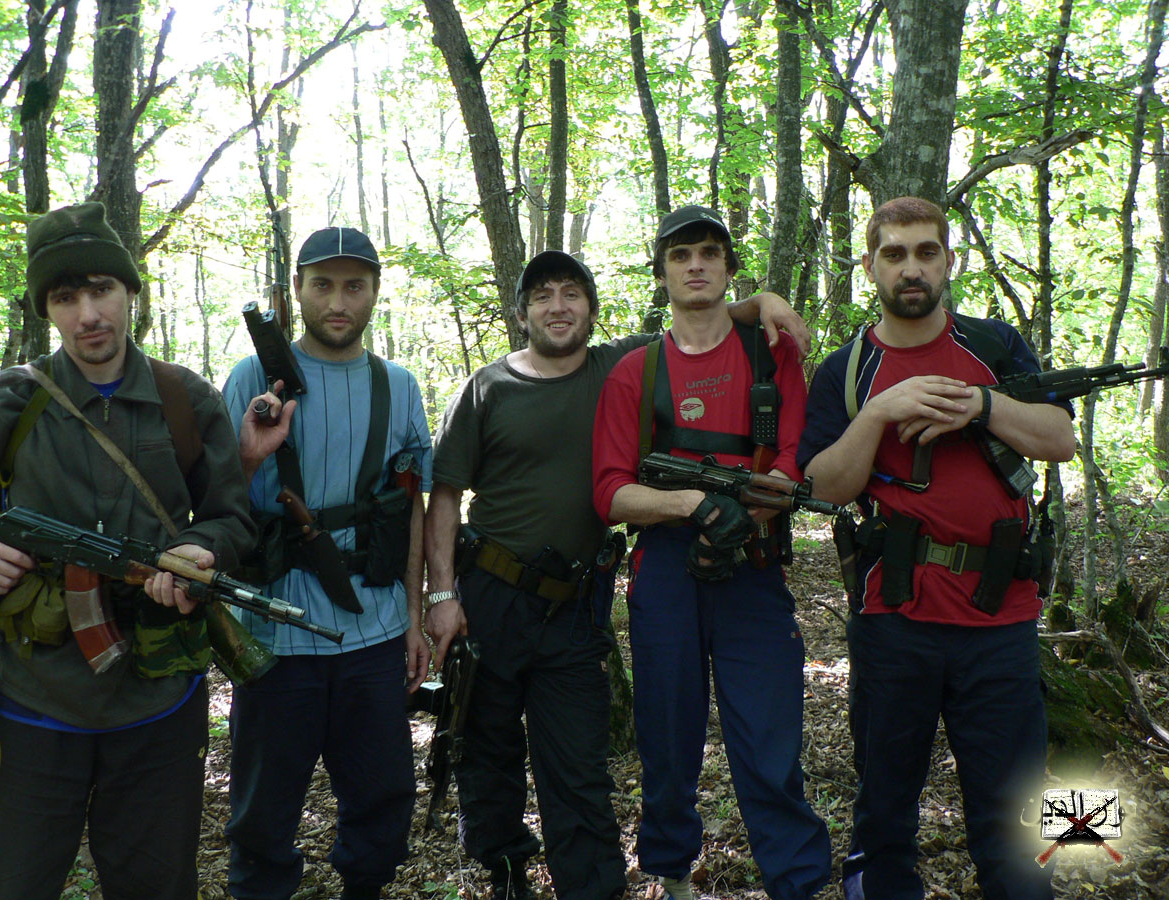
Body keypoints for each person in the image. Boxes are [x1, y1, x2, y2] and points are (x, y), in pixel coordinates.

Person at [424, 245, 809, 900]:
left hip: (575, 603)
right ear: (522, 313)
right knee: (487, 755)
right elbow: (444, 496)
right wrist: (441, 595)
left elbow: (700, 314)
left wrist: (763, 302)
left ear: (591, 309)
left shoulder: (621, 365)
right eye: (542, 296)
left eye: (571, 293)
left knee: (578, 765)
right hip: (490, 592)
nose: (557, 307)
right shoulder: (485, 387)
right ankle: (507, 874)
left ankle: (593, 889)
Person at [0, 201, 255, 900]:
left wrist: (199, 551)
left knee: (155, 884)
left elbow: (232, 518)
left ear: (131, 291)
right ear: (46, 309)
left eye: (102, 289)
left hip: (157, 698)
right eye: (65, 298)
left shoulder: (185, 399)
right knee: (9, 884)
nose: (88, 314)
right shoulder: (10, 399)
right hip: (34, 698)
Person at [798, 197, 1076, 900]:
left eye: (926, 252)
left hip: (1002, 618)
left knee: (1016, 816)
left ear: (950, 261)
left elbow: (1059, 440)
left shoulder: (996, 345)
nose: (911, 268)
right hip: (895, 619)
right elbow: (822, 486)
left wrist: (982, 404)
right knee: (885, 807)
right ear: (870, 266)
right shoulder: (846, 369)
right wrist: (880, 413)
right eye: (894, 254)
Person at [592, 206, 832, 900]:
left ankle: (797, 882)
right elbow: (610, 492)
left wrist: (749, 513)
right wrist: (691, 506)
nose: (695, 264)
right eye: (680, 254)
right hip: (666, 572)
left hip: (753, 567)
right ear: (662, 272)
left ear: (728, 267)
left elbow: (795, 457)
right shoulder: (634, 372)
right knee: (667, 738)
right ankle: (672, 875)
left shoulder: (772, 354)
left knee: (769, 739)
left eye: (708, 252)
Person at [222, 226, 432, 900]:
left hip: (374, 631)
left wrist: (415, 618)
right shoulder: (253, 378)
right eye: (323, 285)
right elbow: (214, 502)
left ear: (374, 292)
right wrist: (251, 454)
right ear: (297, 289)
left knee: (383, 800)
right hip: (273, 635)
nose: (338, 302)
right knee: (262, 815)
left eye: (354, 286)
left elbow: (411, 508)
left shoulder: (398, 387)